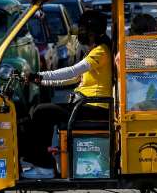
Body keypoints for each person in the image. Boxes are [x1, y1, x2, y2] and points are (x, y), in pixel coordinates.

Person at [22, 10, 112, 178]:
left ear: (92, 32)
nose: (80, 33)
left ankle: (45, 166)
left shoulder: (101, 51)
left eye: (83, 30)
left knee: (42, 112)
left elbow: (72, 71)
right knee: (36, 111)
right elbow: (74, 79)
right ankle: (41, 162)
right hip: (85, 106)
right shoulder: (95, 50)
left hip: (94, 108)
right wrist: (40, 81)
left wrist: (40, 75)